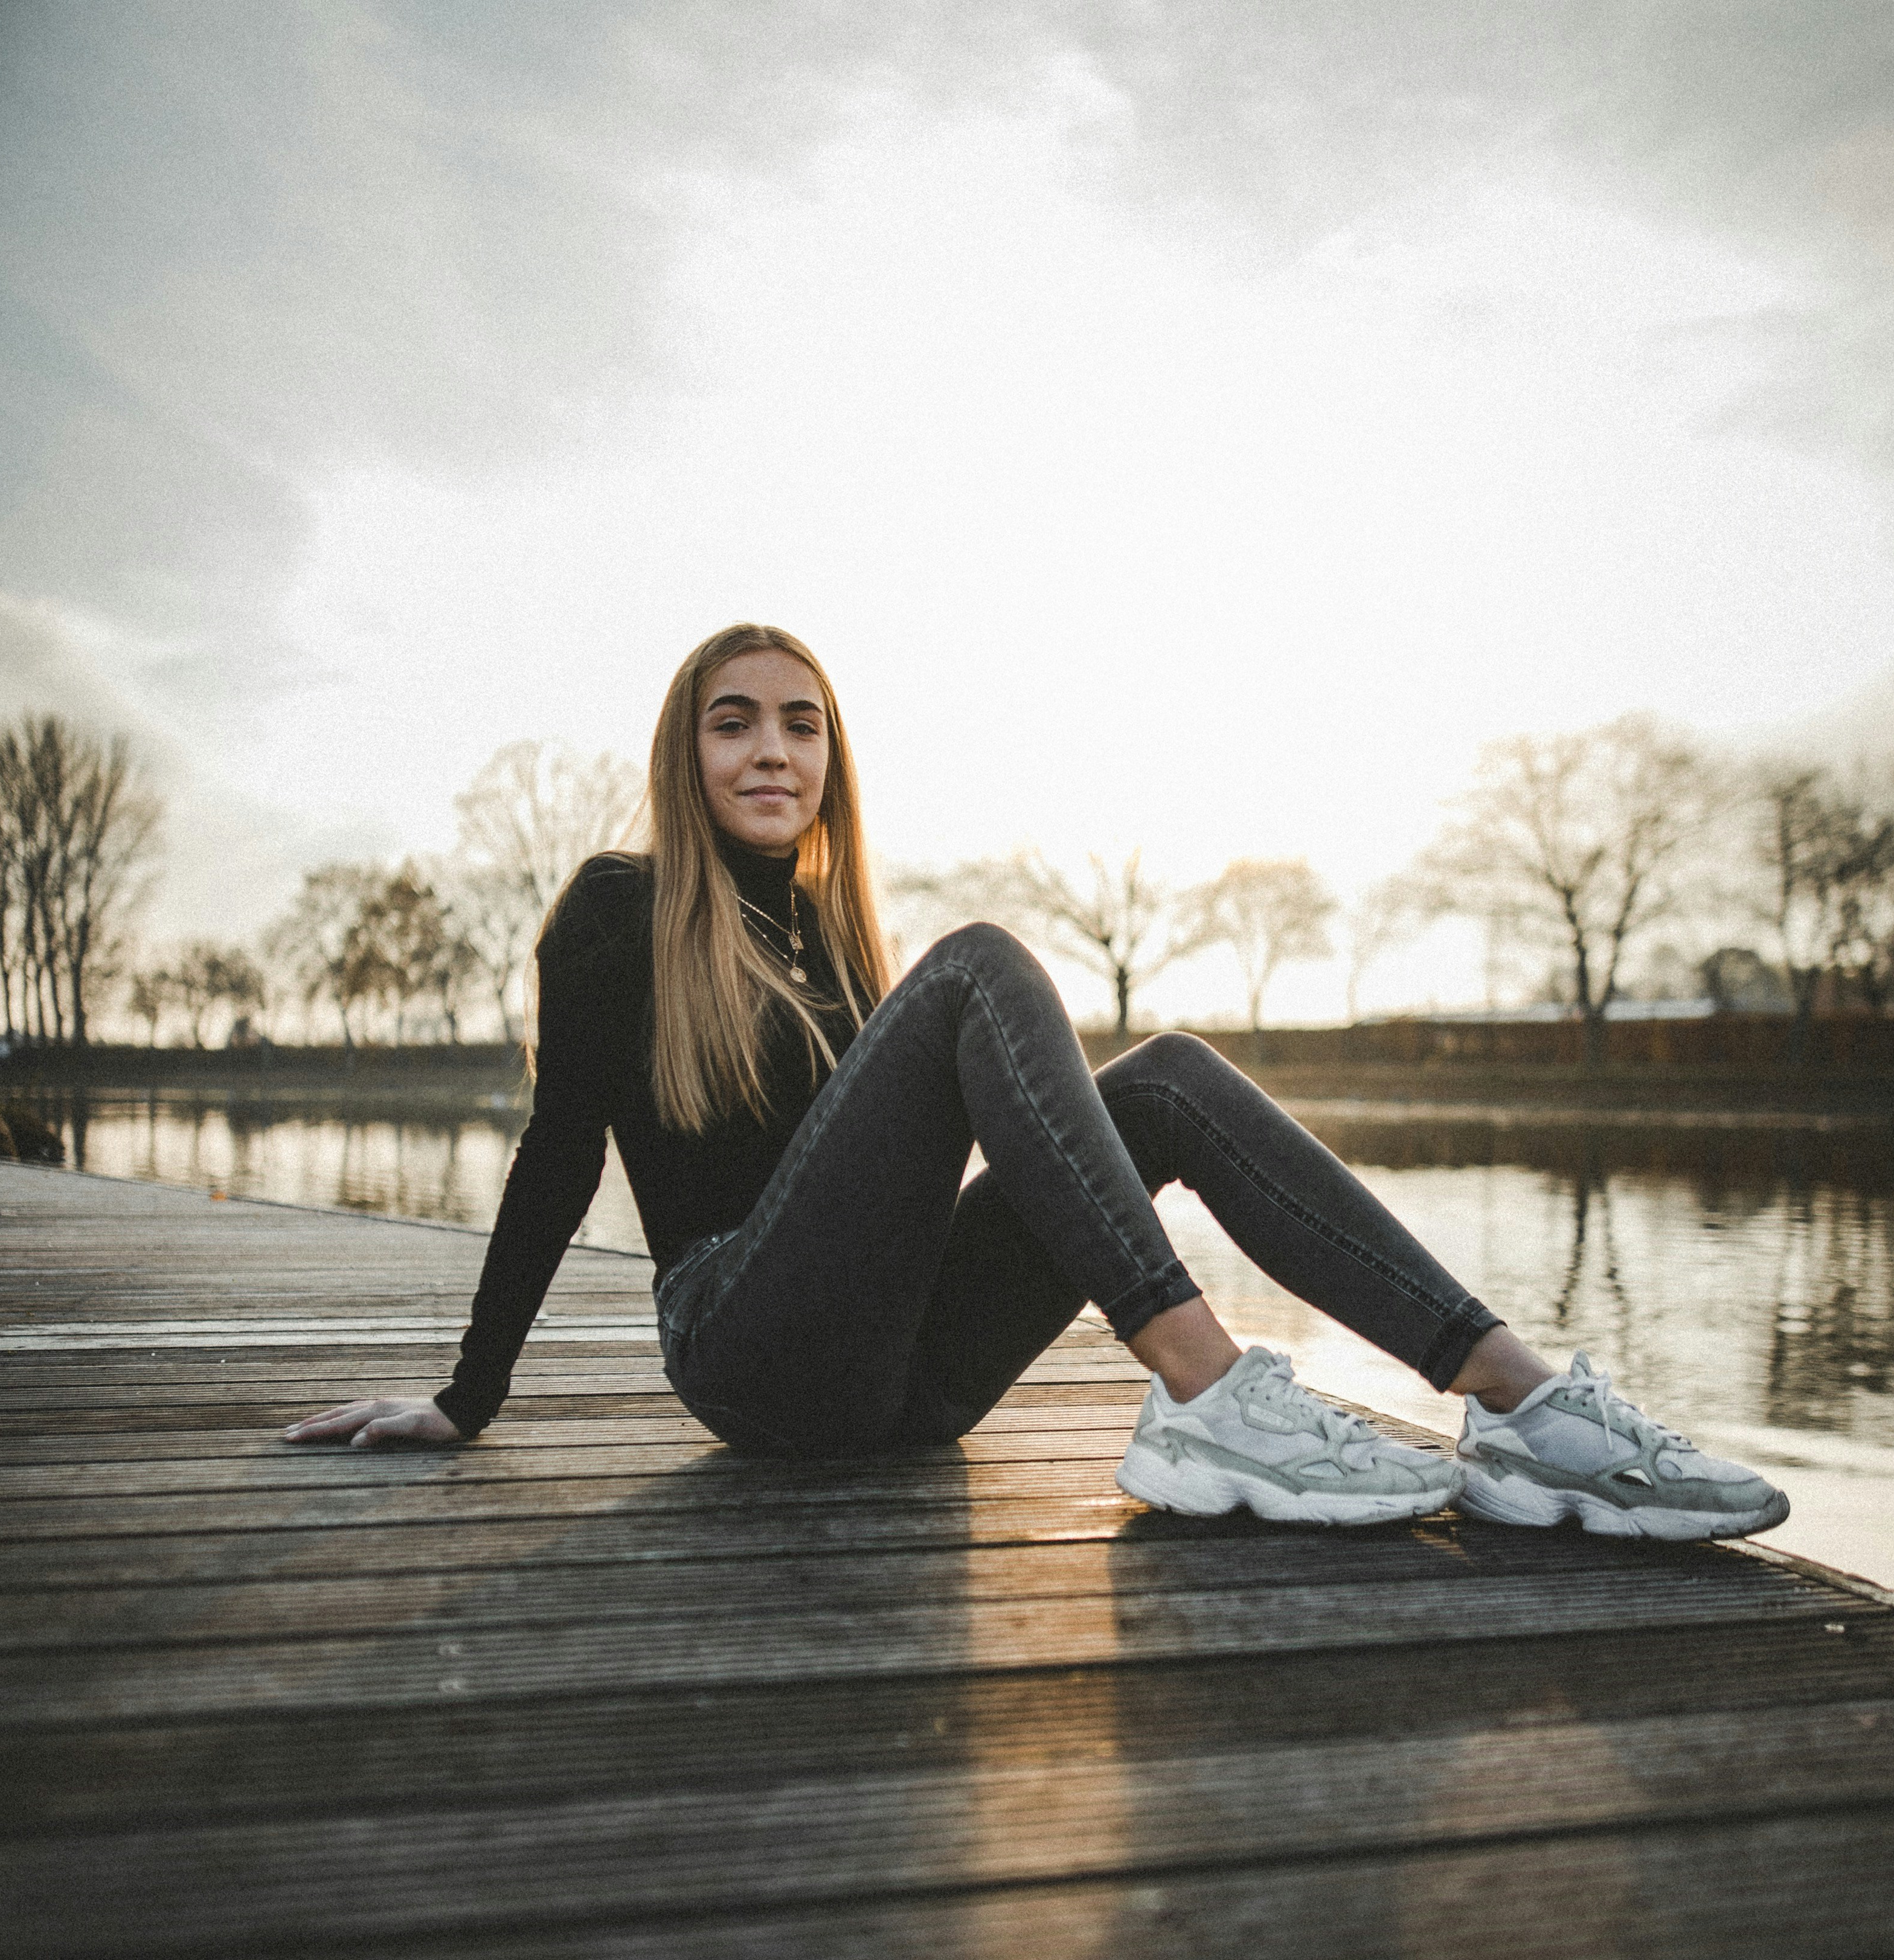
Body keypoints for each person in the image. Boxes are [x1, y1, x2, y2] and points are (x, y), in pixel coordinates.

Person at [286, 623, 1789, 1542]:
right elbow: (559, 1152)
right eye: (732, 718)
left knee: (1175, 1078)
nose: (771, 748)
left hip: (909, 1386)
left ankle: (1526, 1408)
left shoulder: (839, 943)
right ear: (685, 750)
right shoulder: (615, 909)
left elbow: (905, 1202)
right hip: (745, 1352)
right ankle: (1209, 1395)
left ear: (832, 761)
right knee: (989, 960)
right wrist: (464, 1399)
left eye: (802, 722)